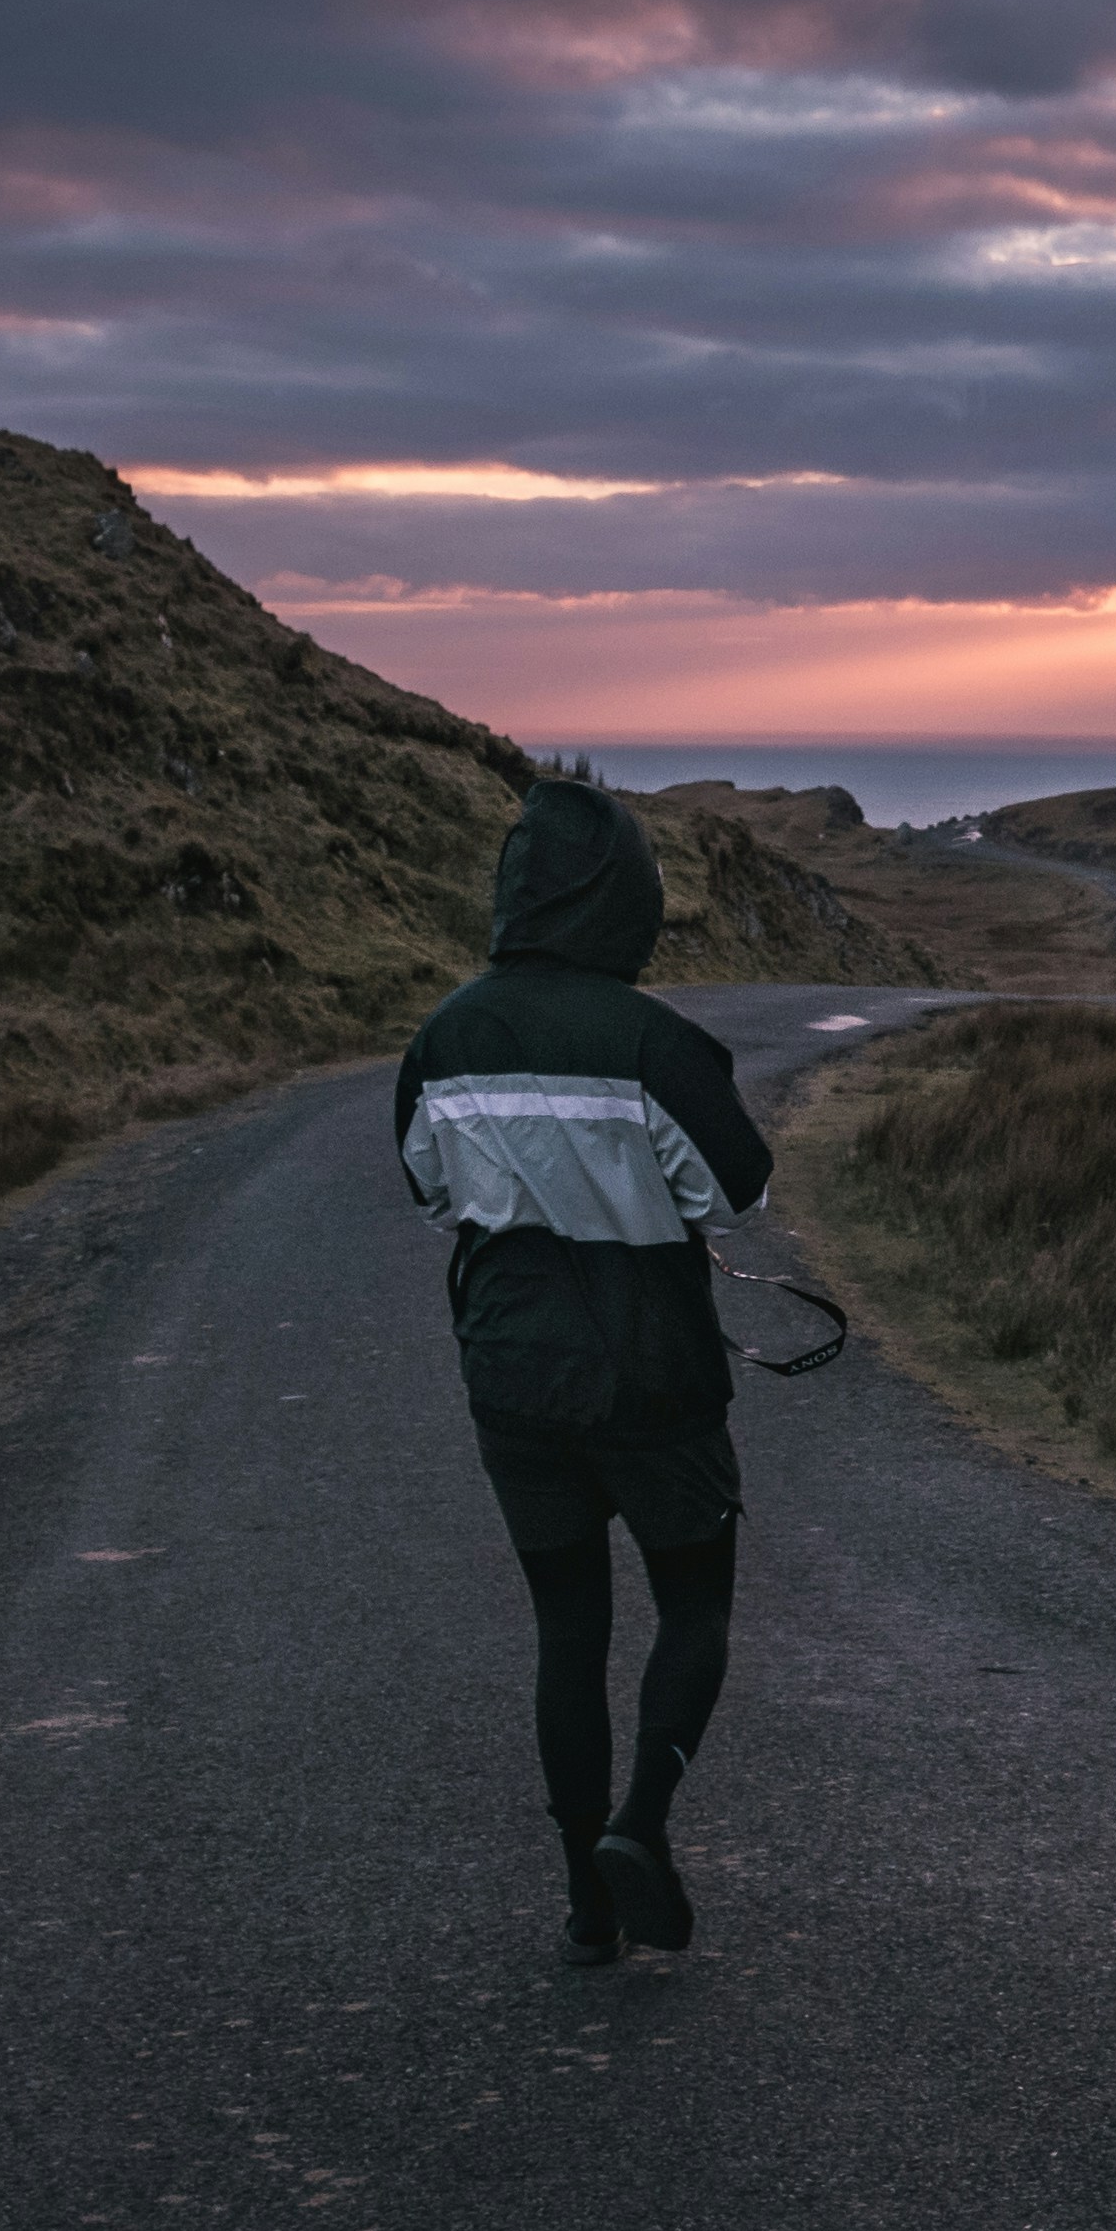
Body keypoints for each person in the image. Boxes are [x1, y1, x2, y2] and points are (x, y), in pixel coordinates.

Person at [395, 776, 777, 1963]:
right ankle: (641, 1824)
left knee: (566, 1628)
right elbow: (737, 1191)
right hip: (653, 1382)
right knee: (693, 1606)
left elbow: (429, 1190)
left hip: (511, 1377)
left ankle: (582, 1904)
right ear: (624, 900)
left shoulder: (443, 1037)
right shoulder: (654, 1040)